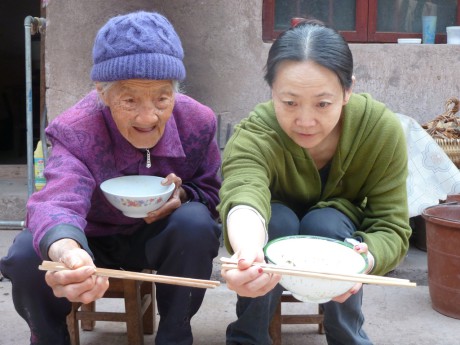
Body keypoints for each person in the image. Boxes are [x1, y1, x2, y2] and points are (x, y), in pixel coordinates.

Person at [0, 11, 222, 345]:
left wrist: (185, 195)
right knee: (25, 257)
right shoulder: (75, 129)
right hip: (89, 241)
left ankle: (176, 335)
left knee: (196, 224)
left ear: (176, 92)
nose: (148, 116)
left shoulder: (198, 122)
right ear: (102, 93)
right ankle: (49, 339)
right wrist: (67, 249)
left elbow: (209, 190)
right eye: (130, 99)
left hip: (155, 238)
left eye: (162, 98)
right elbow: (59, 198)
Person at [218, 19, 412, 345]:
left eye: (323, 103)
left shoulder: (380, 130)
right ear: (272, 92)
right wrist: (248, 251)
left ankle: (348, 337)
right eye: (289, 102)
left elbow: (392, 226)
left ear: (348, 90)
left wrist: (363, 259)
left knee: (328, 226)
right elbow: (244, 193)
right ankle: (248, 337)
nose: (305, 121)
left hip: (339, 226)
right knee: (275, 222)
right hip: (272, 223)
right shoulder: (256, 132)